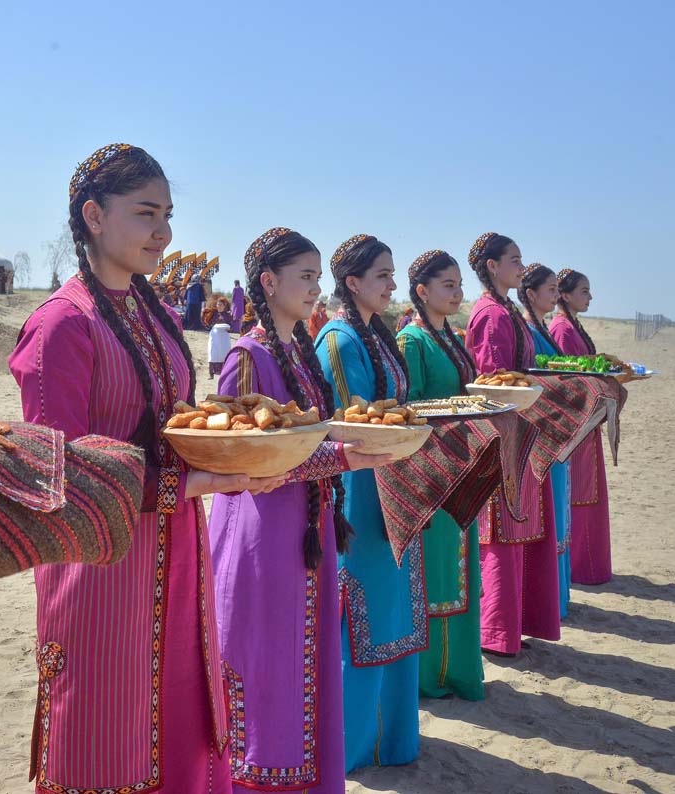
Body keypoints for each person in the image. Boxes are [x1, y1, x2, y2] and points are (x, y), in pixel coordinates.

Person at [10, 143, 289, 794]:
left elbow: (177, 424)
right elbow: (62, 473)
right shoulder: (60, 327)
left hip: (178, 550)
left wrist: (234, 449)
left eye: (167, 214)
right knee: (107, 730)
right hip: (101, 568)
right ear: (94, 217)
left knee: (180, 713)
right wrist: (192, 483)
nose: (164, 232)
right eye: (146, 214)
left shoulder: (155, 317)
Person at [210, 227, 391, 792]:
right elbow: (245, 467)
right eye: (305, 277)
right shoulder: (247, 357)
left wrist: (339, 456)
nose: (317, 288)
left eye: (318, 277)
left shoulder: (300, 350)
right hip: (260, 536)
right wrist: (340, 458)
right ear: (268, 282)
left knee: (304, 664)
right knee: (267, 665)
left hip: (307, 530)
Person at [316, 234, 425, 771]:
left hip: (393, 483)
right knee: (363, 614)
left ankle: (392, 740)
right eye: (382, 275)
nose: (391, 284)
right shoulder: (338, 340)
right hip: (362, 495)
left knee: (391, 609)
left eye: (392, 274)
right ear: (353, 282)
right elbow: (354, 422)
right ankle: (353, 746)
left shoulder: (378, 335)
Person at [465, 232, 559, 658]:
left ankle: (509, 626)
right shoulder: (490, 314)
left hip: (520, 429)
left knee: (518, 524)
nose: (521, 267)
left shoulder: (506, 310)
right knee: (501, 528)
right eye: (514, 260)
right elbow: (493, 378)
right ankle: (496, 630)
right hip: (504, 432)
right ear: (491, 266)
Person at [397, 250, 485, 701]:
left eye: (458, 284)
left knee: (458, 569)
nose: (457, 292)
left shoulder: (452, 336)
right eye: (448, 285)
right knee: (434, 571)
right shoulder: (412, 341)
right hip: (431, 471)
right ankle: (428, 675)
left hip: (460, 467)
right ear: (422, 291)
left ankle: (457, 670)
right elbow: (406, 405)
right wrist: (457, 410)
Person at [550, 268, 612, 585]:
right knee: (580, 491)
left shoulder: (572, 325)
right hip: (577, 420)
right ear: (565, 294)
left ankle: (590, 564)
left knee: (588, 489)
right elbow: (567, 376)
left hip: (587, 418)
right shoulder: (561, 328)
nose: (589, 297)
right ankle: (581, 565)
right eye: (584, 291)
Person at [520, 264, 573, 617]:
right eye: (551, 290)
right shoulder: (526, 327)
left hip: (552, 427)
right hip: (536, 430)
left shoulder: (540, 328)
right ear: (531, 293)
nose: (557, 296)